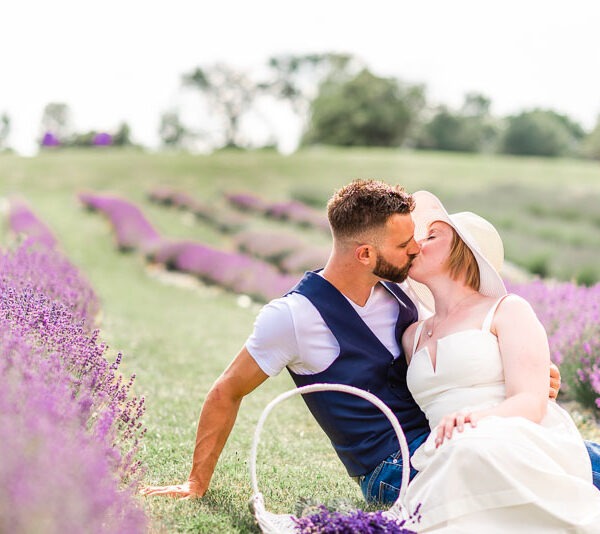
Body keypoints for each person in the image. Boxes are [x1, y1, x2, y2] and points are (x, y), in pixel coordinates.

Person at [140, 180, 597, 506]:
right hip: (392, 468)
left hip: (455, 439)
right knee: (525, 471)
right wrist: (195, 483)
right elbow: (227, 390)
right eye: (404, 244)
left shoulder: (403, 298)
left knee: (577, 459)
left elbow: (461, 362)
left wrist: (530, 379)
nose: (415, 248)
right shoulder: (293, 317)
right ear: (365, 254)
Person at [399, 190, 600, 531]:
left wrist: (477, 420)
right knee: (460, 460)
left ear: (463, 252)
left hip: (511, 435)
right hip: (446, 450)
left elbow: (531, 402)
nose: (417, 244)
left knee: (471, 452)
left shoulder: (508, 310)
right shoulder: (412, 335)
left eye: (432, 236)